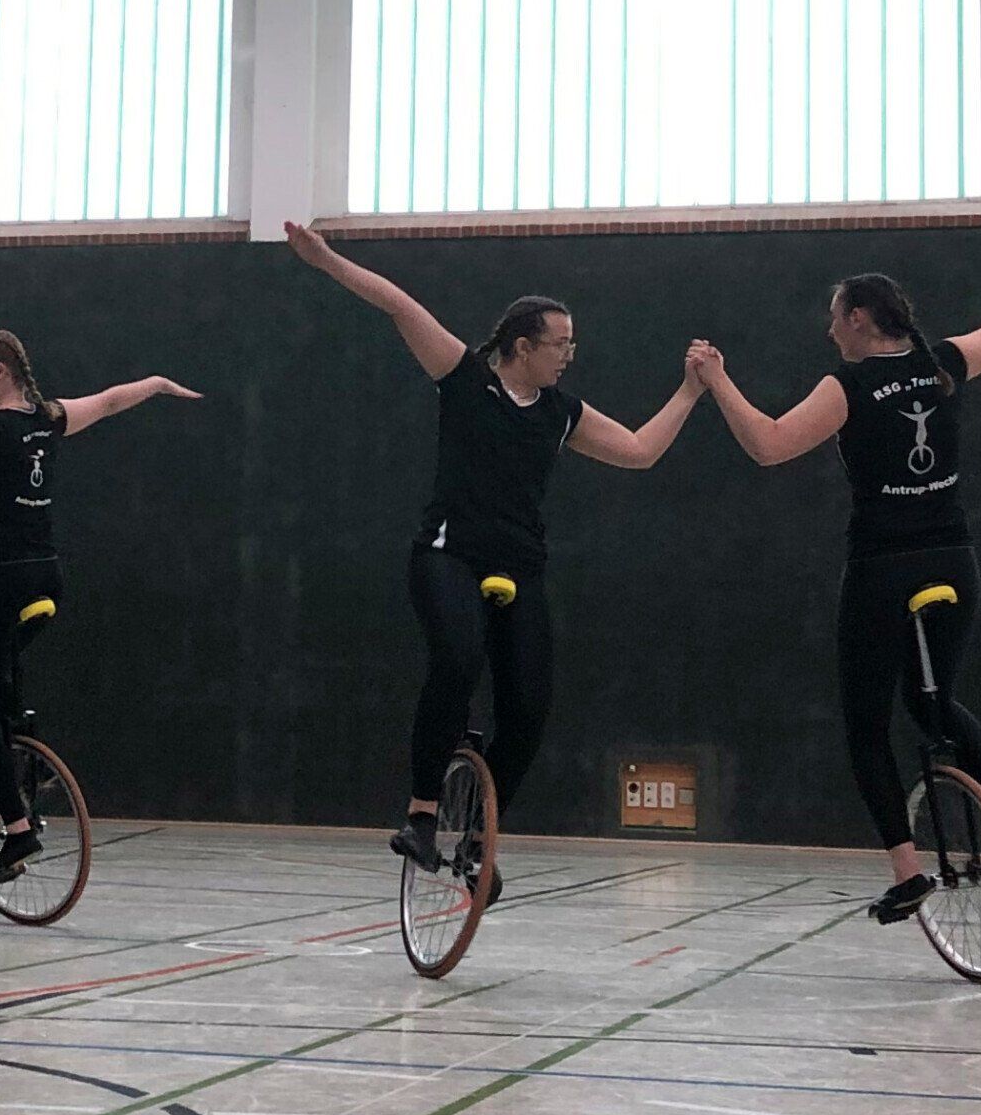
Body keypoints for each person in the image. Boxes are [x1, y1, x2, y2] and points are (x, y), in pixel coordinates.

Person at [685, 274, 981, 921]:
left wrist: (717, 381)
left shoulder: (847, 386)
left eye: (835, 317)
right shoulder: (942, 363)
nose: (830, 330)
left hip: (883, 570)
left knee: (867, 727)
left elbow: (768, 445)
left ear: (860, 318)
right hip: (955, 561)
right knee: (934, 702)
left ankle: (907, 873)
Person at [284, 221, 705, 900]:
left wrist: (690, 391)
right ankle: (423, 815)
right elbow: (399, 304)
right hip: (449, 557)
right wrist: (327, 259)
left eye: (572, 344)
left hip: (520, 568)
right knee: (456, 660)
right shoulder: (465, 378)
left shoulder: (561, 412)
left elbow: (638, 450)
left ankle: (480, 837)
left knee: (530, 707)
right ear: (522, 346)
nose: (570, 356)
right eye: (561, 344)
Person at [0, 331, 199, 883]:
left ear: (1, 371)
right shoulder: (49, 419)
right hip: (45, 578)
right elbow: (110, 401)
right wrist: (156, 383)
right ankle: (28, 751)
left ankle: (18, 828)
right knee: (0, 674)